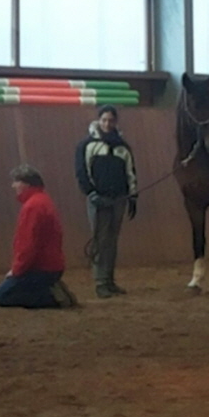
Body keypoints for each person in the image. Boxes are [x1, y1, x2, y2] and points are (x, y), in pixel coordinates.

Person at [0, 164, 77, 309]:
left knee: (0, 297)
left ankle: (54, 297)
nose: (13, 185)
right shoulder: (43, 201)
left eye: (16, 181)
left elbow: (27, 244)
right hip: (51, 266)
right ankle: (50, 289)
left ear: (26, 184)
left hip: (41, 268)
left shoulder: (32, 207)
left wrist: (16, 270)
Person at [74, 104, 138, 298]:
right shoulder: (86, 145)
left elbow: (131, 173)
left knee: (112, 241)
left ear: (115, 122)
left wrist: (133, 196)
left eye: (111, 120)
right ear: (99, 121)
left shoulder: (123, 147)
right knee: (100, 241)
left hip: (119, 199)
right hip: (98, 200)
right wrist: (91, 193)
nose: (107, 124)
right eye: (104, 120)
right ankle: (100, 281)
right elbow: (81, 172)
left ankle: (109, 280)